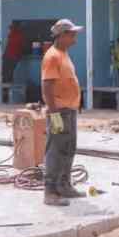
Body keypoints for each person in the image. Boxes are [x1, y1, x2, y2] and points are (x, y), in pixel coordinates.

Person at [41, 19, 83, 206]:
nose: (75, 39)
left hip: (69, 109)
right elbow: (47, 86)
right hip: (59, 110)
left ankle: (64, 185)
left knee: (68, 149)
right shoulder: (52, 56)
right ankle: (50, 191)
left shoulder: (63, 54)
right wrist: (54, 113)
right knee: (55, 151)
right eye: (72, 35)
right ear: (62, 35)